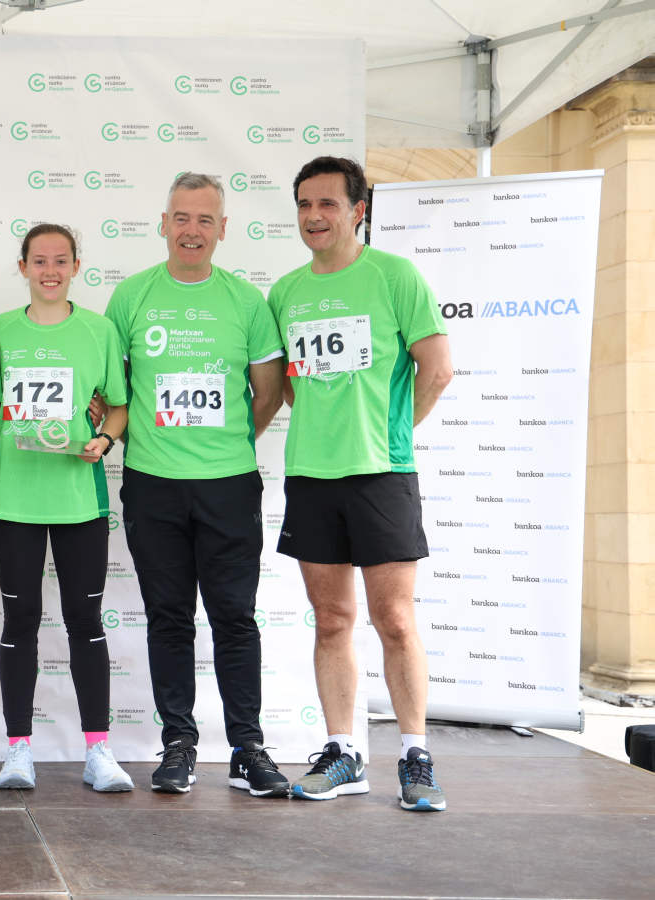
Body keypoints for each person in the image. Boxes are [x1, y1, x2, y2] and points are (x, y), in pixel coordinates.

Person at [269, 156, 452, 811]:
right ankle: (344, 751)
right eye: (303, 205)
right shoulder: (285, 291)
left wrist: (393, 434)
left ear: (357, 211)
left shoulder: (394, 276)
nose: (314, 216)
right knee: (332, 620)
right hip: (312, 476)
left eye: (327, 204)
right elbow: (288, 384)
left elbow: (436, 368)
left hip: (383, 474)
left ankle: (414, 756)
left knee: (394, 621)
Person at [105, 172, 290, 796]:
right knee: (169, 617)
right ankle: (178, 743)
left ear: (222, 229)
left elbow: (267, 394)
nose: (192, 230)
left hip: (229, 485)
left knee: (235, 617)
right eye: (181, 218)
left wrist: (229, 446)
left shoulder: (246, 302)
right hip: (153, 484)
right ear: (163, 224)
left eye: (205, 220)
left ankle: (247, 746)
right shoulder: (131, 298)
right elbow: (113, 394)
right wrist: (152, 445)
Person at [0, 224, 133, 792]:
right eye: (39, 260)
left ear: (77, 265)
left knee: (84, 621)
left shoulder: (99, 330)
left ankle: (98, 753)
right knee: (20, 620)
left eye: (61, 260)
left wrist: (104, 440)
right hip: (17, 498)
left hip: (81, 499)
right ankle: (17, 751)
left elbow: (117, 408)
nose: (50, 270)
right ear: (22, 266)